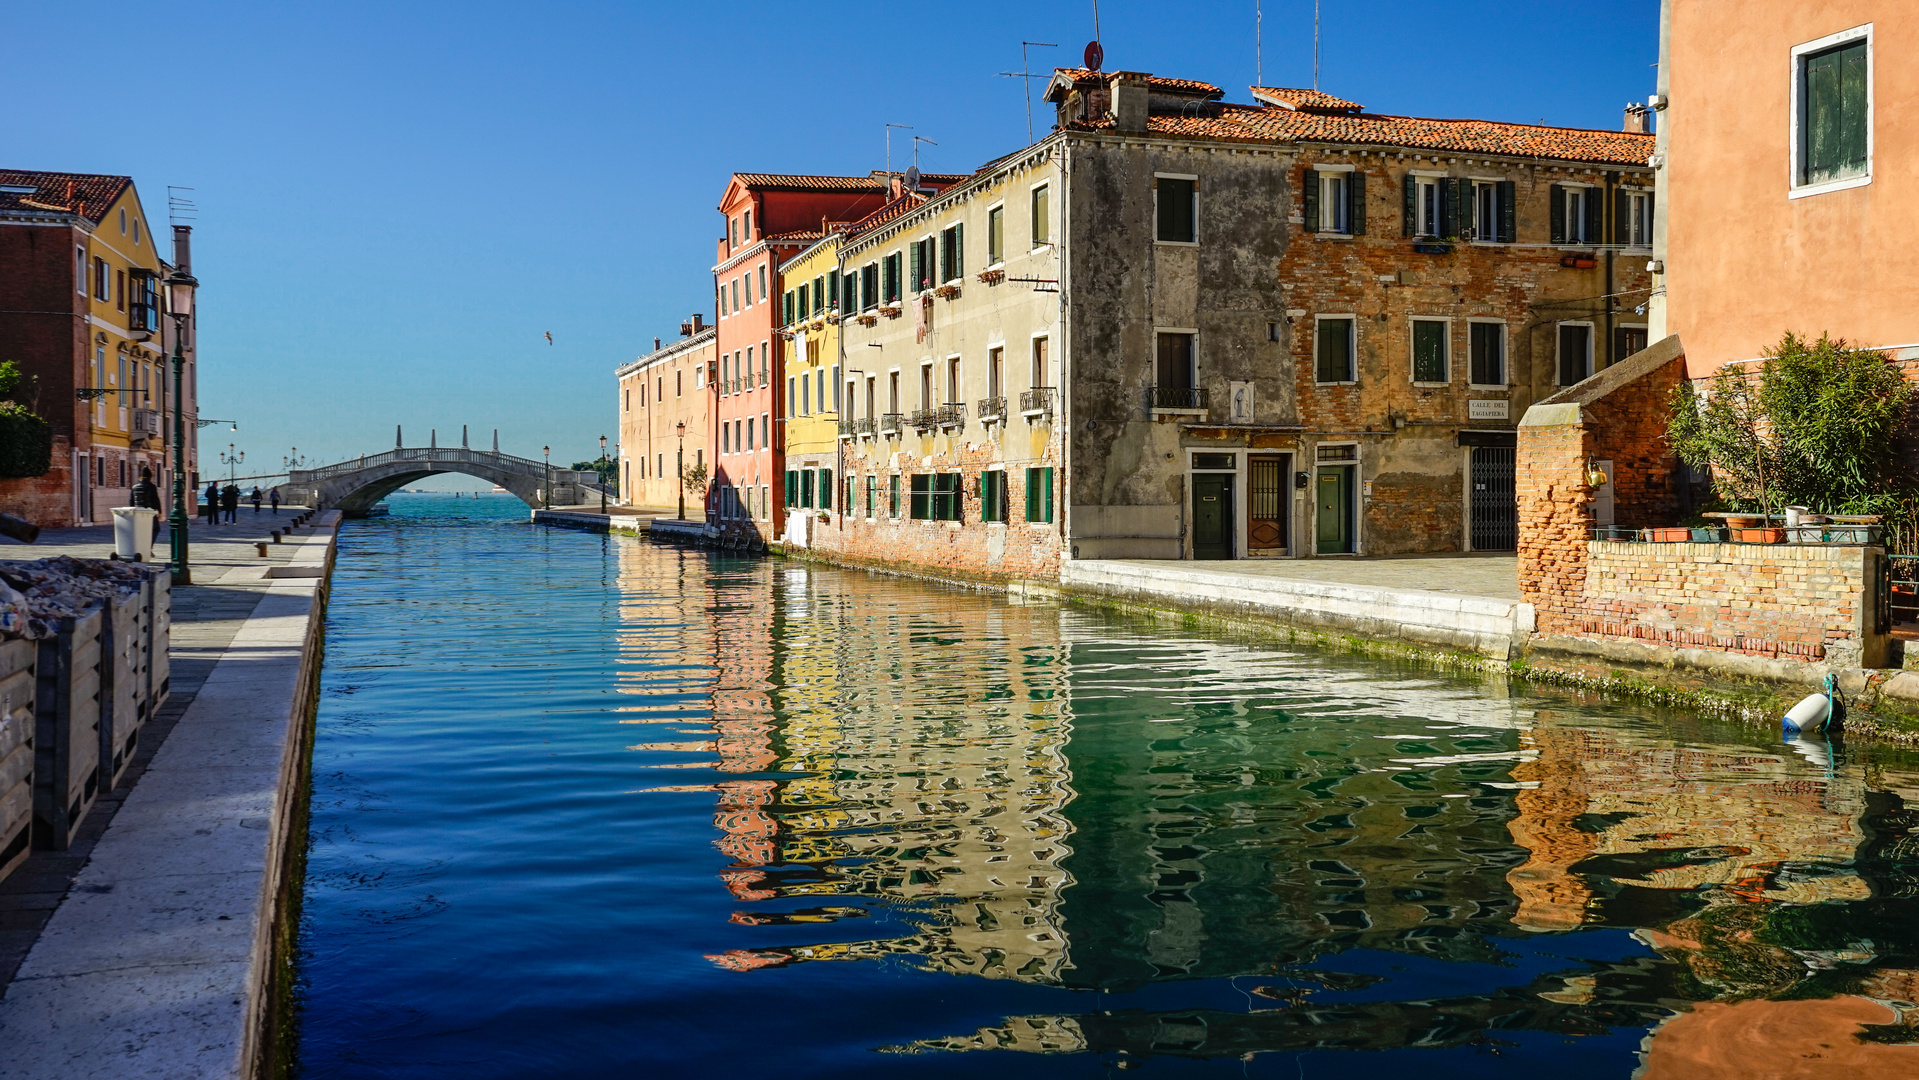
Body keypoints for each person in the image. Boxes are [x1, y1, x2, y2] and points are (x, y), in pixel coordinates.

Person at [130, 467, 162, 543]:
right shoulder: (151, 486)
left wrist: (132, 511)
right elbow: (155, 500)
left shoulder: (134, 487)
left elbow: (131, 501)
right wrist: (159, 512)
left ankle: (141, 546)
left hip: (138, 512)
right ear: (150, 476)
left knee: (140, 530)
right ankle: (148, 547)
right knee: (156, 529)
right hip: (149, 512)